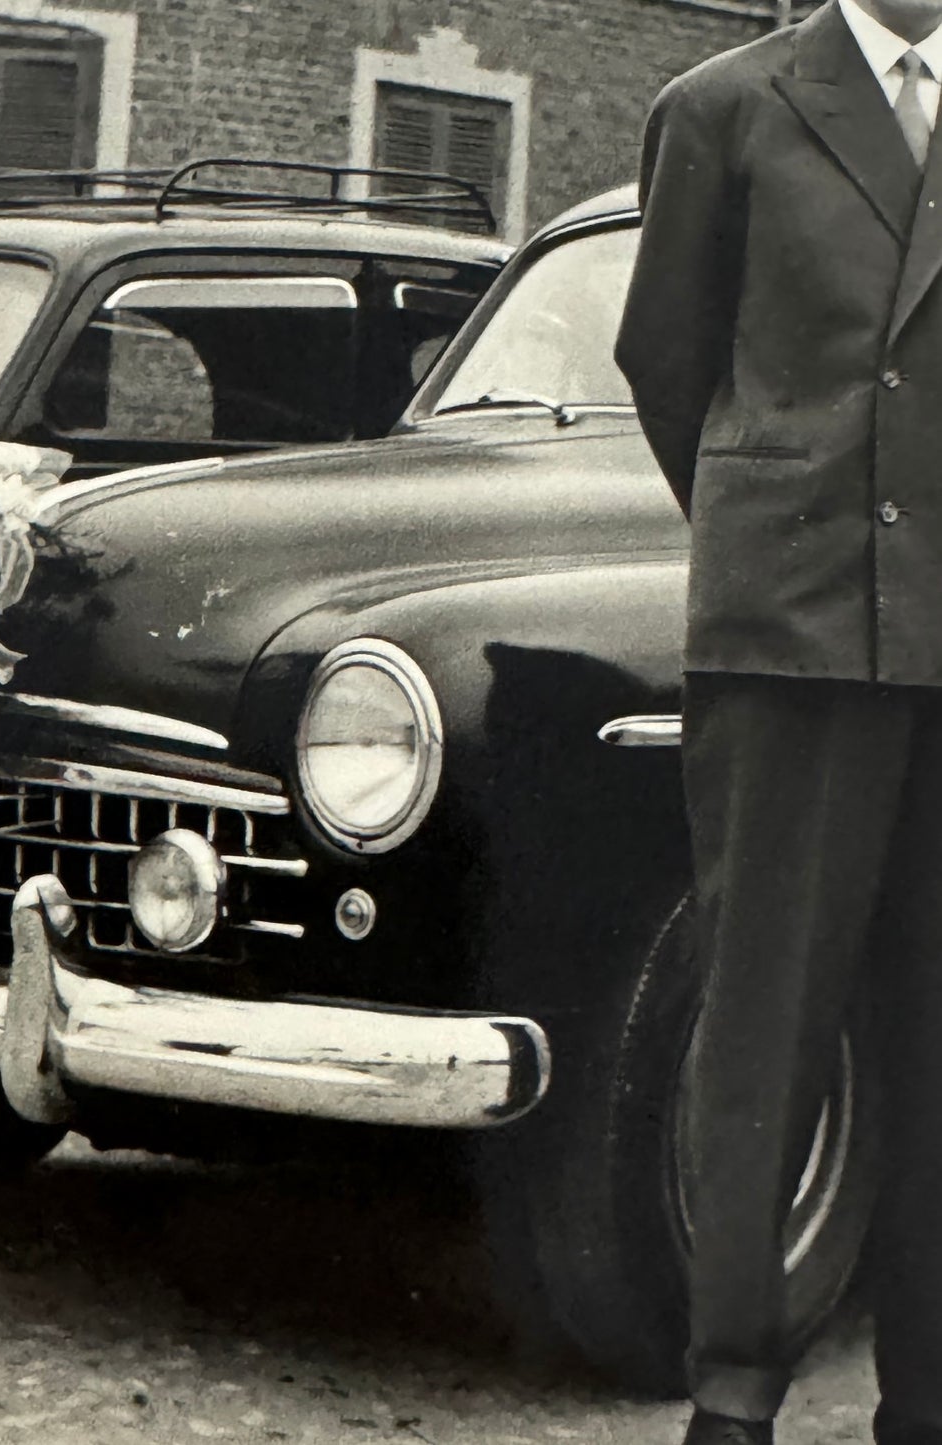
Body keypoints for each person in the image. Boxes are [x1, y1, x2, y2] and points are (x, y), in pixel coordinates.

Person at [616, 1, 942, 1442]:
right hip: (790, 639)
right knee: (763, 1028)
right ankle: (733, 1394)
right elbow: (666, 363)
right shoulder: (726, 105)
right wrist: (783, 544)